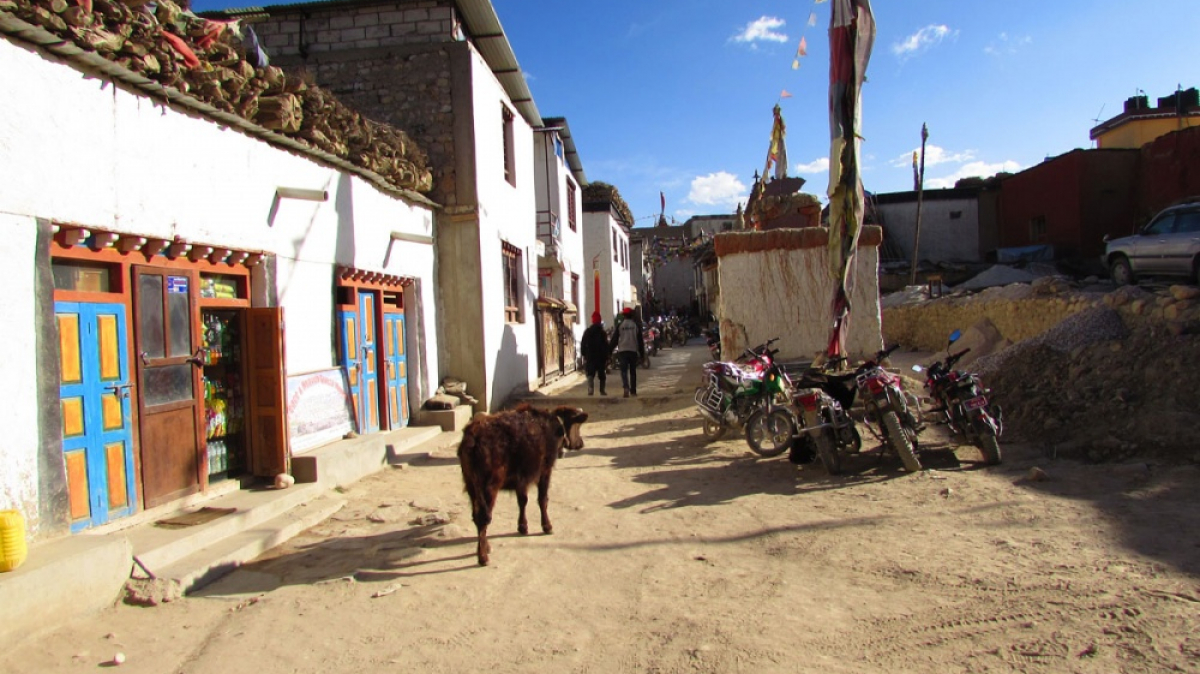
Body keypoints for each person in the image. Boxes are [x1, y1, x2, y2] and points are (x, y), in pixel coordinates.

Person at [609, 306, 645, 398]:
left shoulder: (620, 326)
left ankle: (626, 387)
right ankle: (633, 391)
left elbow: (614, 340)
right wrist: (642, 354)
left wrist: (609, 351)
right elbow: (640, 341)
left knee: (623, 371)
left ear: (624, 316)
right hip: (633, 350)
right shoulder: (635, 325)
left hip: (623, 351)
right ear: (631, 315)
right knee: (633, 371)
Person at [580, 312, 610, 396]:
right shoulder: (602, 332)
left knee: (590, 373)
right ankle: (602, 390)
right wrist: (607, 356)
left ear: (592, 320)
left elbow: (583, 343)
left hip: (590, 356)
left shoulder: (588, 331)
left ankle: (590, 389)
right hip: (600, 357)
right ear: (600, 321)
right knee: (602, 374)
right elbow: (606, 345)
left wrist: (584, 354)